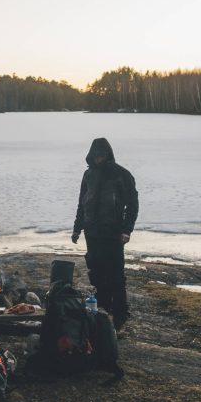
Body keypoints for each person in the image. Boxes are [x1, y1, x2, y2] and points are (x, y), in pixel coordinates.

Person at [71, 137, 138, 334]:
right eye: (95, 155)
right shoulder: (88, 175)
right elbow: (82, 204)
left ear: (108, 154)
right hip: (92, 233)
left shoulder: (121, 175)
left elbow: (132, 205)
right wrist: (77, 228)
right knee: (97, 275)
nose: (98, 158)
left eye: (101, 155)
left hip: (114, 234)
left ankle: (119, 319)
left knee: (116, 276)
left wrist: (127, 230)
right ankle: (102, 314)